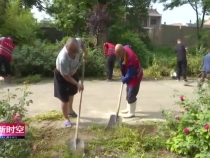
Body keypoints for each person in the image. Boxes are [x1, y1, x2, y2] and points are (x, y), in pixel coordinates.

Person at [54, 38, 86, 127]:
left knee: (72, 92)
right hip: (62, 75)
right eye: (72, 54)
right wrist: (77, 84)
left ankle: (70, 110)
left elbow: (82, 43)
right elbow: (66, 76)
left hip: (72, 72)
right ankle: (66, 119)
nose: (74, 56)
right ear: (67, 49)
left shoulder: (77, 42)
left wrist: (85, 52)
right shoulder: (63, 58)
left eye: (76, 53)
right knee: (64, 98)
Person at [115, 44, 143, 118]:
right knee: (128, 92)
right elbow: (128, 46)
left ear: (122, 51)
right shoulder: (124, 49)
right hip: (130, 74)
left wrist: (124, 79)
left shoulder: (131, 58)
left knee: (131, 94)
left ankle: (131, 112)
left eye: (119, 54)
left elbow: (131, 73)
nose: (118, 56)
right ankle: (128, 108)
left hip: (135, 76)